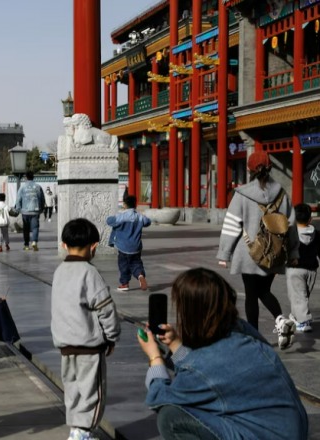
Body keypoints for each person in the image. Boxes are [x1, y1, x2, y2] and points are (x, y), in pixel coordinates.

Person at [137, 267, 308, 439]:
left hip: (263, 434)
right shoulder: (243, 331)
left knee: (171, 417)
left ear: (190, 314)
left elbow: (159, 397)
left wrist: (155, 357)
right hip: (289, 429)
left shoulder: (206, 363)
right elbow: (206, 372)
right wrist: (175, 345)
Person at [217, 150, 299, 349]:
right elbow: (291, 224)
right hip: (275, 253)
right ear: (269, 168)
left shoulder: (242, 193)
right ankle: (280, 319)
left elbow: (232, 224)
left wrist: (224, 253)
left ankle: (254, 337)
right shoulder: (281, 192)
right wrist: (294, 253)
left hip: (249, 253)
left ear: (249, 169)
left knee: (252, 295)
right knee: (264, 290)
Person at [51, 218, 120, 440]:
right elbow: (105, 309)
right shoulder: (90, 273)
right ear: (93, 247)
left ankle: (76, 429)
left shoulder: (59, 271)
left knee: (73, 391)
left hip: (65, 346)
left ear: (64, 245)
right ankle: (83, 433)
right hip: (89, 348)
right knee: (93, 394)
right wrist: (111, 336)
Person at [106, 195, 152, 292]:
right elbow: (148, 222)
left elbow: (109, 221)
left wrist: (115, 216)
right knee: (136, 263)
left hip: (123, 246)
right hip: (136, 246)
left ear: (124, 204)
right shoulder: (139, 216)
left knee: (123, 265)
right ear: (135, 204)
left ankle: (124, 283)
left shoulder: (121, 216)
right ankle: (140, 275)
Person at [286, 203, 319, 333]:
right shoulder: (317, 234)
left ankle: (304, 322)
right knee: (302, 295)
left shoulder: (290, 234)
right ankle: (296, 316)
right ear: (310, 219)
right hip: (312, 270)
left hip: (295, 270)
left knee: (298, 295)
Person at [15, 171, 45, 251]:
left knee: (26, 228)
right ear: (33, 177)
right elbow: (42, 199)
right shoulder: (38, 187)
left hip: (25, 211)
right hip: (35, 210)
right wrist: (41, 208)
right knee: (35, 227)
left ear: (26, 177)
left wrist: (18, 209)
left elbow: (18, 199)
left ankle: (26, 245)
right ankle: (34, 242)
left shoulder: (22, 187)